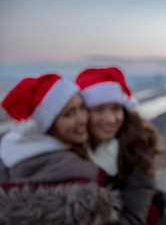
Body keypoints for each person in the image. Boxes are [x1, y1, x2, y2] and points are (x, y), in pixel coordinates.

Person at [0, 73, 121, 224]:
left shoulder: (10, 157)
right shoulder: (78, 174)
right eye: (68, 114)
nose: (82, 119)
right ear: (47, 124)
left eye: (82, 107)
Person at [75, 66, 166, 225]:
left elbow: (134, 218)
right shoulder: (72, 151)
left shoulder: (137, 147)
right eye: (99, 109)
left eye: (116, 109)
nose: (110, 119)